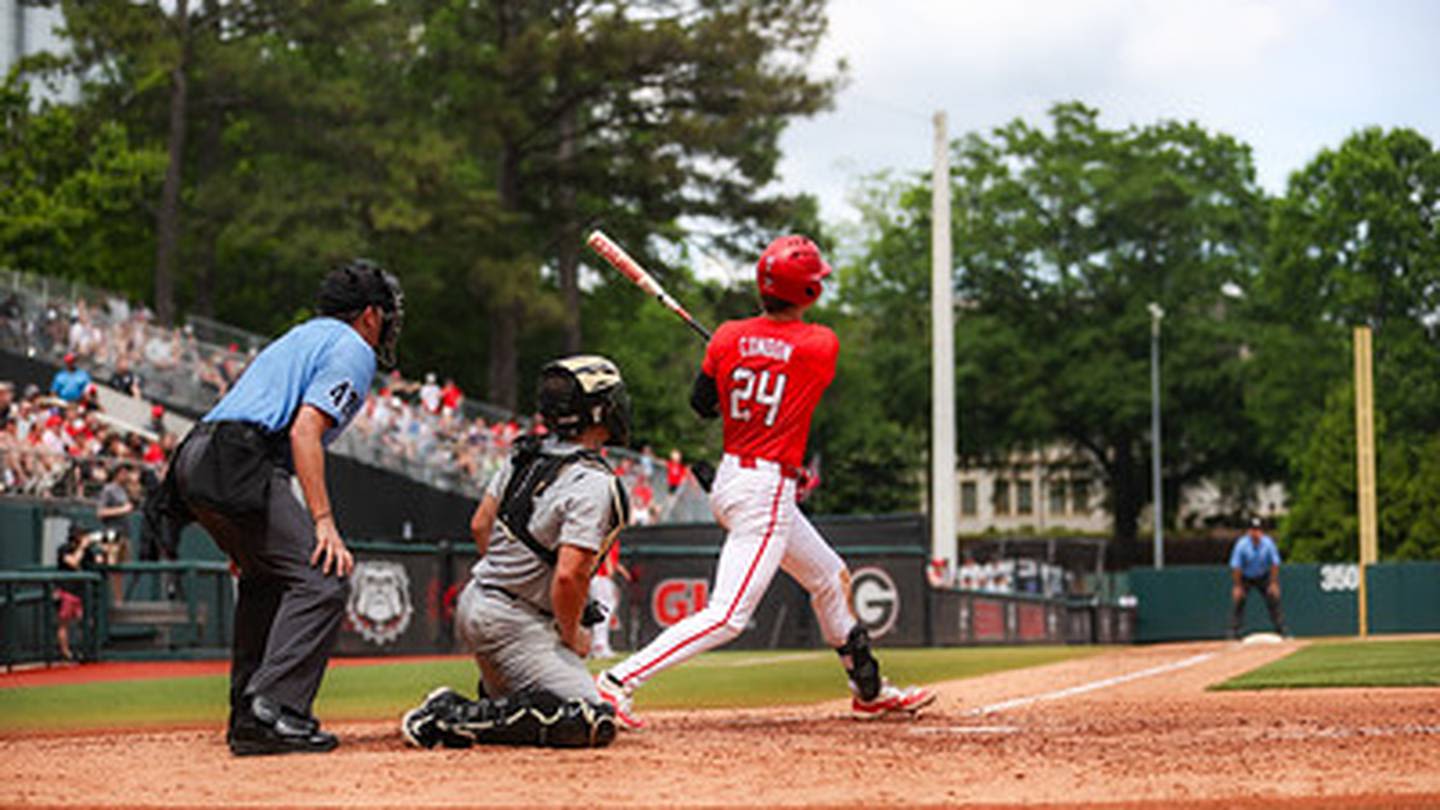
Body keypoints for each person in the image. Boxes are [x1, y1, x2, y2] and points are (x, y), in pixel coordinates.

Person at [595, 235, 935, 731]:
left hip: (734, 477)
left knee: (827, 576)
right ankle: (617, 682)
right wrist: (755, 357)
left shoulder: (727, 337)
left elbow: (703, 404)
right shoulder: (820, 345)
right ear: (809, 292)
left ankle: (869, 691)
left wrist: (732, 357)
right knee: (728, 614)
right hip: (765, 489)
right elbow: (781, 368)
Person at [147, 259, 403, 756]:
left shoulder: (301, 336)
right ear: (370, 315)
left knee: (266, 577)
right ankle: (274, 709)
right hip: (237, 458)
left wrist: (241, 530)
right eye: (387, 313)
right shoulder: (352, 347)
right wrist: (323, 522)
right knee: (324, 578)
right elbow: (304, 430)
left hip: (196, 456)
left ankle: (248, 713)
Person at [400, 356, 629, 751]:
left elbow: (480, 525)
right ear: (596, 411)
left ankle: (492, 709)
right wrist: (571, 633)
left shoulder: (524, 455)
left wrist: (510, 577)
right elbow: (569, 576)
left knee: (527, 707)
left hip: (478, 603)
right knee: (590, 717)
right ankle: (449, 714)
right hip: (514, 624)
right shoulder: (593, 481)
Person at [1229, 517, 1287, 638]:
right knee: (1239, 600)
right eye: (1253, 530)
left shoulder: (1268, 543)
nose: (1256, 533)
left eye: (1258, 530)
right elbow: (1236, 566)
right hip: (1246, 576)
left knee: (1273, 598)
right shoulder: (1242, 544)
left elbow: (1275, 563)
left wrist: (1273, 582)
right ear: (1248, 531)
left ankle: (1281, 629)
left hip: (1263, 575)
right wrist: (1238, 586)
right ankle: (1234, 631)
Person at [588, 539, 630, 659]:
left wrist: (621, 570)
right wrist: (610, 569)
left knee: (606, 610)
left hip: (600, 577)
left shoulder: (613, 538)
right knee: (603, 611)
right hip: (601, 576)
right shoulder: (607, 536)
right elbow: (605, 554)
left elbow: (612, 558)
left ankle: (600, 645)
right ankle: (599, 646)